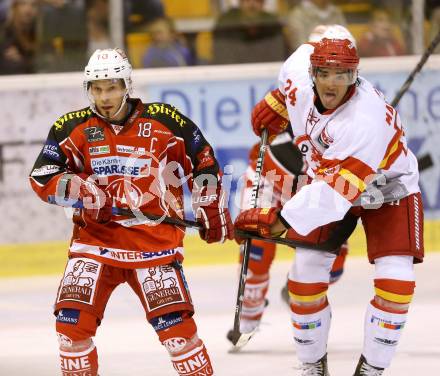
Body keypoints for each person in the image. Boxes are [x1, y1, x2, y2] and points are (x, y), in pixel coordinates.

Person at [29, 48, 233, 375]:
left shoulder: (166, 120)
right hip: (95, 244)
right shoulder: (71, 127)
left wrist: (210, 207)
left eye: (111, 87)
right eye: (97, 89)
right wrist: (84, 190)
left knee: (179, 338)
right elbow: (42, 175)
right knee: (70, 334)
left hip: (153, 244)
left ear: (127, 85)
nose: (104, 97)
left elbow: (204, 162)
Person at [234, 38, 423, 375]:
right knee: (304, 276)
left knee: (396, 280)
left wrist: (276, 221)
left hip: (389, 188)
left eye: (343, 75)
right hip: (329, 179)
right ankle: (311, 365)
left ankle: (372, 369)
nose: (333, 82)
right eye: (325, 73)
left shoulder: (363, 122)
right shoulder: (298, 74)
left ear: (355, 76)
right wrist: (278, 100)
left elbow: (337, 193)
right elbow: (304, 49)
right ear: (312, 72)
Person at [227, 24, 357, 343]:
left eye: (337, 70)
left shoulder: (358, 109)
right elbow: (263, 124)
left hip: (317, 193)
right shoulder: (290, 90)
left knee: (333, 265)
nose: (327, 77)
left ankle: (296, 284)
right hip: (271, 179)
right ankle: (251, 308)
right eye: (319, 67)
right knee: (255, 245)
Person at [212, 0, 286, 64]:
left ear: (263, 3)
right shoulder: (226, 25)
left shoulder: (272, 26)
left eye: (257, 0)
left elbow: (276, 60)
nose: (252, 4)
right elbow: (224, 61)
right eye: (246, 0)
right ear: (240, 2)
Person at [0, 0, 38, 75]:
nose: (28, 9)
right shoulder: (7, 34)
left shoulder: (32, 31)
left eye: (33, 5)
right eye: (23, 4)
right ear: (15, 7)